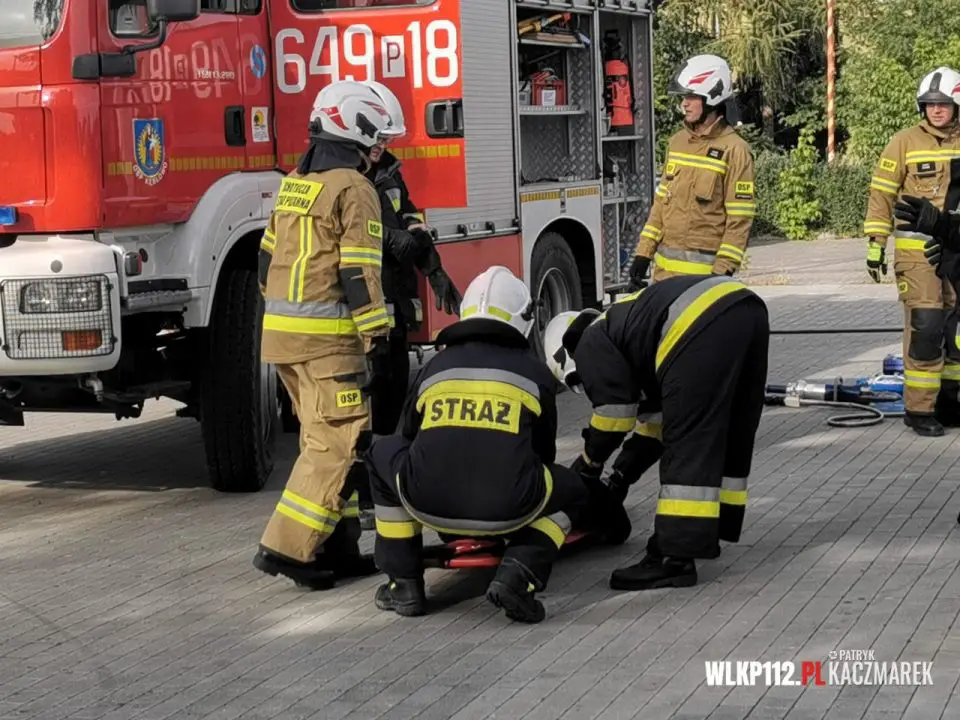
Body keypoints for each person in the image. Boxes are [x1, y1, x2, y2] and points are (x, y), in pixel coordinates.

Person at [363, 266, 590, 623]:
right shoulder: (535, 374)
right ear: (524, 320)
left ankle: (403, 583)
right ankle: (520, 573)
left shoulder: (433, 368)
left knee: (381, 452)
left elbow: (408, 436)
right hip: (511, 509)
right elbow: (542, 454)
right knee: (573, 490)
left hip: (427, 502)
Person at [253, 80, 400, 590]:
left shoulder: (295, 182)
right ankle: (287, 547)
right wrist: (377, 338)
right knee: (338, 444)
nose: (381, 149)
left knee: (322, 440)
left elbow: (265, 263)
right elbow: (359, 271)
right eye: (378, 138)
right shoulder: (355, 188)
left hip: (283, 340)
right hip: (329, 345)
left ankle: (336, 547)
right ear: (355, 130)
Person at [543, 274, 769, 591]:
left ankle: (672, 559)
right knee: (732, 429)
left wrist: (589, 463)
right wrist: (621, 476)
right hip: (744, 307)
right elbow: (655, 427)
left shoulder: (589, 342)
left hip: (699, 322)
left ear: (566, 356)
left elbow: (613, 415)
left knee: (687, 442)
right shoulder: (629, 333)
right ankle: (711, 529)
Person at [355, 80, 462, 530]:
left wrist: (434, 269)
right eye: (376, 137)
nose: (381, 145)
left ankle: (383, 489)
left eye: (386, 138)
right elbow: (345, 235)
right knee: (361, 411)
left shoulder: (389, 173)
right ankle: (362, 498)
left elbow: (412, 220)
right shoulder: (342, 180)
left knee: (393, 400)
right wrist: (388, 240)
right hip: (359, 317)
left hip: (393, 309)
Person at [862, 66, 960, 437]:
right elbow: (881, 194)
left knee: (955, 329)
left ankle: (949, 402)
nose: (936, 110)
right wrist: (876, 243)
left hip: (955, 253)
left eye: (944, 104)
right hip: (917, 256)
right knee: (927, 326)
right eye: (930, 104)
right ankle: (918, 410)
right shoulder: (903, 142)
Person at [627, 54, 756, 291]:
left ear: (712, 97)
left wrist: (722, 272)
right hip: (663, 281)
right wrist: (643, 254)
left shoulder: (736, 150)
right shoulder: (677, 143)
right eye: (683, 97)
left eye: (691, 97)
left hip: (704, 284)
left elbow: (739, 220)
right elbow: (661, 205)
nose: (684, 104)